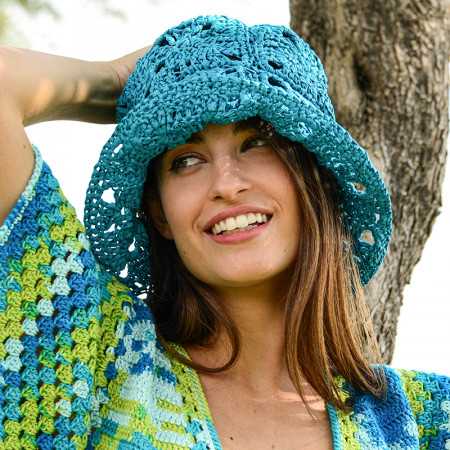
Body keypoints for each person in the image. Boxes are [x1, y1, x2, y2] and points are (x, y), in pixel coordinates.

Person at [0, 14, 449, 450]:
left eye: (257, 143)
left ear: (316, 181)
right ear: (160, 213)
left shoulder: (424, 421)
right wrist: (121, 81)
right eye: (186, 160)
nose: (227, 185)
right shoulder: (102, 355)